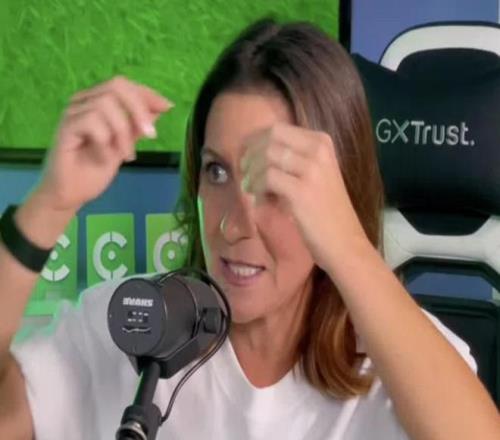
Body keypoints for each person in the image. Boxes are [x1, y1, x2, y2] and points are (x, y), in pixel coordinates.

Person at [0, 17, 498, 440]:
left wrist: (347, 247)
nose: (234, 225)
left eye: (275, 181)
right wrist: (48, 205)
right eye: (217, 171)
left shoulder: (395, 362)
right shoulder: (131, 324)